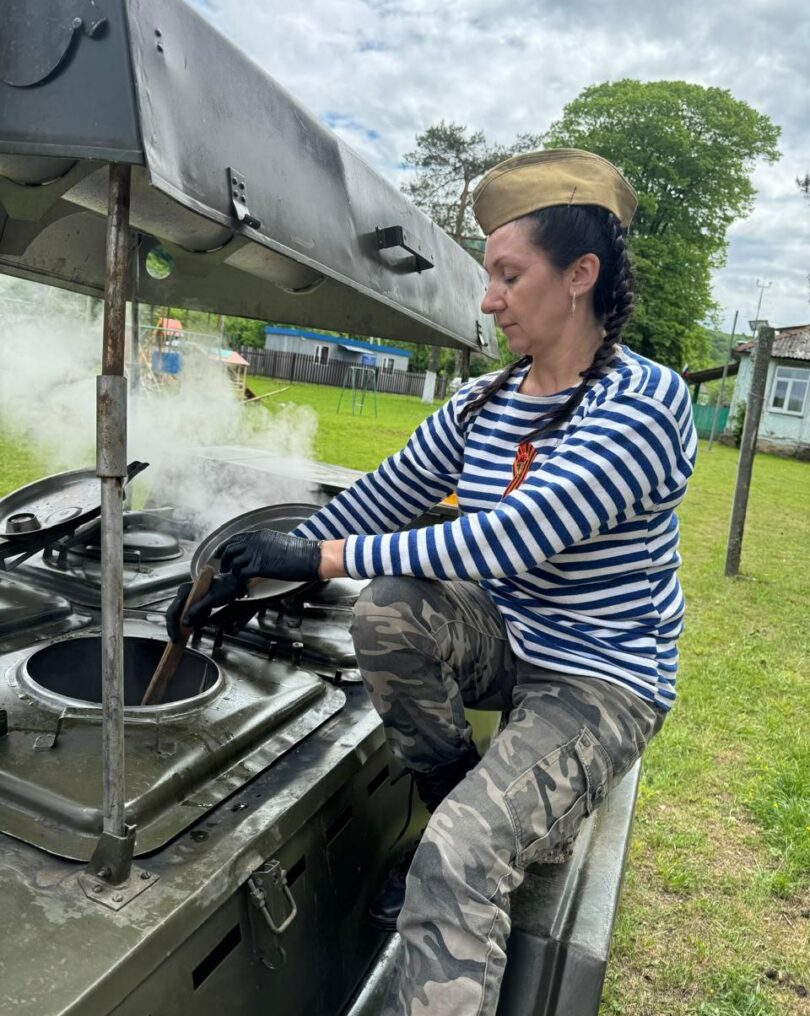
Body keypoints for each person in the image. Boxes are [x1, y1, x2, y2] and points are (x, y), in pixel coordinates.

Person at [168, 148, 697, 1015]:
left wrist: (317, 561)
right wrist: (250, 565)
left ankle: (476, 839)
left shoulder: (646, 403)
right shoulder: (483, 405)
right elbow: (384, 497)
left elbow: (514, 538)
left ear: (580, 276)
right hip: (508, 640)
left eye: (507, 275)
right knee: (388, 615)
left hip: (601, 677)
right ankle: (461, 796)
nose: (487, 300)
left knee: (459, 858)